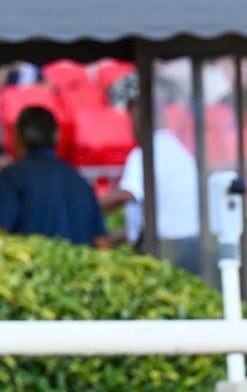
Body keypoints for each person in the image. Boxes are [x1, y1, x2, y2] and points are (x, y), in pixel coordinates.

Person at [99, 75, 201, 273]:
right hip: (191, 245)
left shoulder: (146, 152)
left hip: (167, 249)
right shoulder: (176, 149)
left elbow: (127, 194)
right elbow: (159, 214)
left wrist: (86, 208)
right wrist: (115, 238)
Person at [0, 105, 109, 248]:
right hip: (78, 268)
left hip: (30, 268)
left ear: (17, 138)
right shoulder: (80, 181)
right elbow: (102, 244)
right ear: (57, 137)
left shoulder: (12, 177)